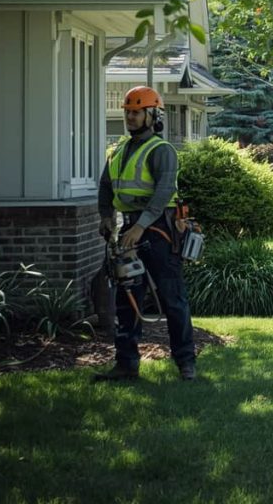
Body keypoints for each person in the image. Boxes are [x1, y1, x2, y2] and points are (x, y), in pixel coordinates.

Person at [94, 86, 197, 381]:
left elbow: (164, 191)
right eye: (127, 112)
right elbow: (105, 187)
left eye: (136, 112)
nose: (130, 117)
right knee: (127, 299)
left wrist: (140, 228)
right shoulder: (117, 151)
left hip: (159, 229)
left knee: (172, 297)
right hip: (130, 228)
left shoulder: (161, 150)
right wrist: (105, 217)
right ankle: (126, 363)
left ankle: (186, 362)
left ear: (152, 115)